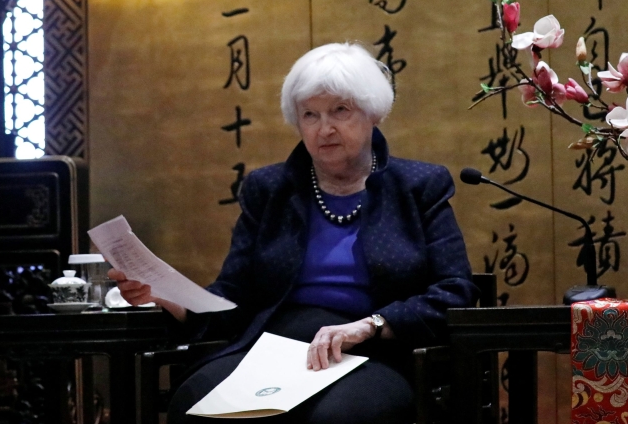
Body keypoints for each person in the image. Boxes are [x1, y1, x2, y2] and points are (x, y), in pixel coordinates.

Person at [109, 42, 477, 423]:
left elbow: (454, 292)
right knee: (193, 405)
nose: (325, 128)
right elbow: (234, 296)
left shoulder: (418, 186)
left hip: (375, 353)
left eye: (340, 110)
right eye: (310, 115)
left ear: (373, 114)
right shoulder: (269, 189)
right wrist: (166, 296)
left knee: (334, 418)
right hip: (275, 349)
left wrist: (372, 326)